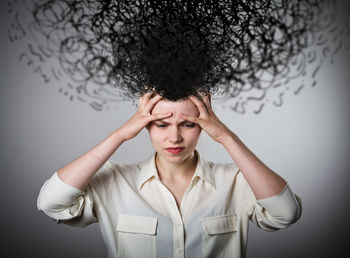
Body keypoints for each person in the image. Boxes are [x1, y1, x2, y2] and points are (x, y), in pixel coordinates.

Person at [37, 92, 302, 258]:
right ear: (145, 126)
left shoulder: (235, 182)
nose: (174, 137)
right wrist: (119, 135)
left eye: (188, 124)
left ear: (203, 127)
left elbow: (286, 213)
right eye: (162, 124)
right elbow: (51, 203)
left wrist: (226, 137)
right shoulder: (115, 181)